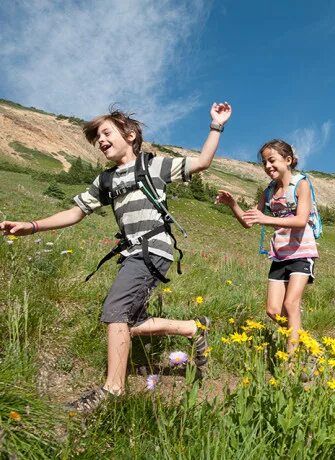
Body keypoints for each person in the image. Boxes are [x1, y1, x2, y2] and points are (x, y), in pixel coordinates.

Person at [0, 102, 232, 411]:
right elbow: (75, 211)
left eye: (106, 133)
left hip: (152, 249)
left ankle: (113, 390)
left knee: (115, 311)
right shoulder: (104, 181)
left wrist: (216, 125)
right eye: (97, 138)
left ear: (131, 135)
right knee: (127, 321)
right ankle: (193, 328)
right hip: (131, 252)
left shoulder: (153, 165)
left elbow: (202, 162)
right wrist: (32, 226)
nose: (101, 141)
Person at [215, 139, 318, 354]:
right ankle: (299, 339)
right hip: (280, 255)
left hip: (302, 252)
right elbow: (248, 221)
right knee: (273, 310)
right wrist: (233, 204)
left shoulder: (301, 185)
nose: (268, 166)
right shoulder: (269, 192)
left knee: (291, 304)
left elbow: (300, 220)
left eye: (272, 160)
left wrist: (267, 220)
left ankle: (292, 363)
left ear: (288, 160)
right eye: (264, 163)